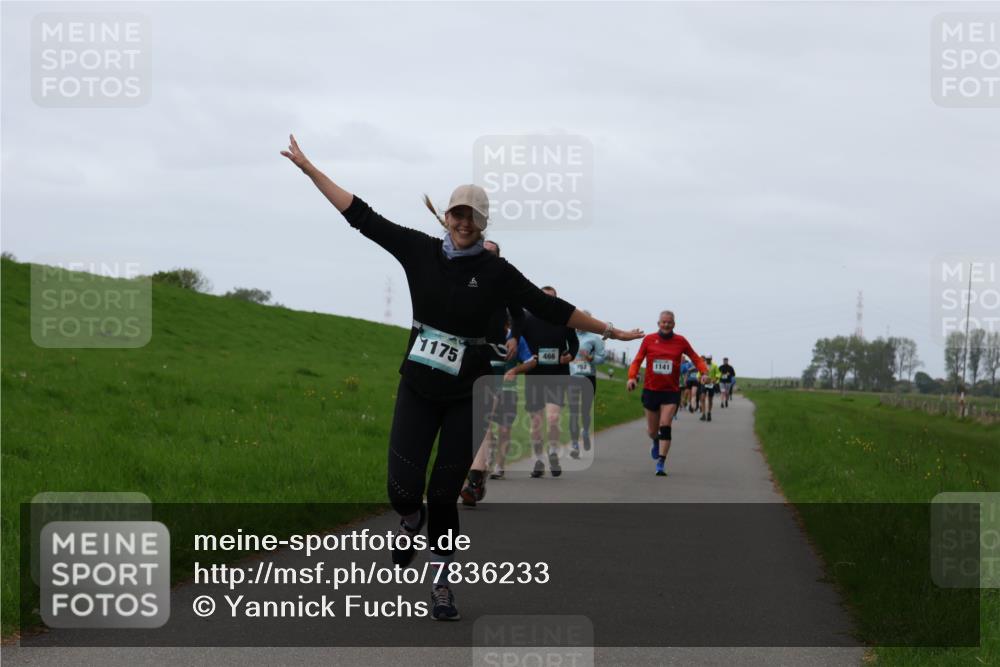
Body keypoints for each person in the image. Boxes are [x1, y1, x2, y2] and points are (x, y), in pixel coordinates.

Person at [281, 135, 642, 621]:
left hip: (469, 394)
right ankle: (410, 521)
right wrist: (309, 170)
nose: (464, 222)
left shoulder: (498, 272)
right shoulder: (418, 250)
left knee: (444, 493)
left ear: (483, 223)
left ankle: (442, 583)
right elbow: (360, 215)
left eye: (472, 216)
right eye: (457, 213)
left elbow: (549, 306)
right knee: (403, 491)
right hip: (417, 387)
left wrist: (609, 330)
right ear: (447, 217)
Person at [460, 241, 523, 506]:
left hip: (492, 358)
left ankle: (474, 481)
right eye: (480, 250)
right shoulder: (459, 276)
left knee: (483, 419)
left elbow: (518, 314)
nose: (483, 255)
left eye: (490, 252)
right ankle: (475, 471)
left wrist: (515, 338)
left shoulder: (504, 283)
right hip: (461, 355)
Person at [627, 311, 708, 476]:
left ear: (674, 324)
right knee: (651, 431)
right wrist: (632, 377)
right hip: (651, 390)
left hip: (671, 391)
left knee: (665, 425)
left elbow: (695, 357)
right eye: (663, 322)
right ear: (658, 323)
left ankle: (661, 463)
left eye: (669, 322)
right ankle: (655, 441)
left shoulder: (681, 341)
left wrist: (704, 372)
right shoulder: (649, 340)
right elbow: (637, 360)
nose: (666, 325)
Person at [520, 287, 579, 477]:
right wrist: (528, 358)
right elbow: (519, 343)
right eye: (544, 298)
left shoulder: (564, 320)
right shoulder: (527, 319)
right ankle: (538, 460)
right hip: (535, 375)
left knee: (553, 418)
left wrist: (570, 356)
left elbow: (574, 343)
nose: (548, 302)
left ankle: (553, 453)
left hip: (557, 374)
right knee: (536, 422)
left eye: (552, 299)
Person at [568, 311, 606, 459]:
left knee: (585, 411)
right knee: (573, 412)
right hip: (572, 377)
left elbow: (602, 359)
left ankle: (585, 432)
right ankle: (574, 445)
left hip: (588, 378)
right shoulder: (570, 336)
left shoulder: (595, 339)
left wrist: (591, 358)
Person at [699, 354, 722, 422]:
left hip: (711, 384)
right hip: (704, 383)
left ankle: (709, 413)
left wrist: (715, 379)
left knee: (710, 400)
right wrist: (700, 379)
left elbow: (718, 374)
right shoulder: (702, 365)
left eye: (709, 359)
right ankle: (703, 414)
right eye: (707, 359)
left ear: (711, 359)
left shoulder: (714, 366)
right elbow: (699, 373)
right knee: (702, 398)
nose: (708, 360)